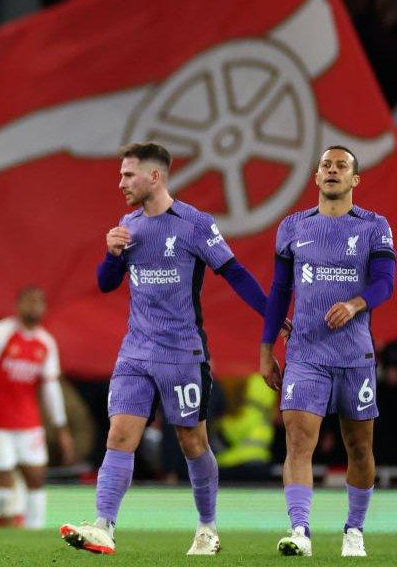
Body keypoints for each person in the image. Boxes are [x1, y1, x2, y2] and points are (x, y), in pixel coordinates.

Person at [60, 142, 285, 556]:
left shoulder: (194, 224)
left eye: (128, 175)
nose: (121, 183)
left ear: (155, 176)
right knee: (119, 435)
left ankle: (207, 528)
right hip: (135, 352)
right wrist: (111, 255)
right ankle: (104, 526)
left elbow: (234, 273)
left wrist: (271, 316)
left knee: (193, 443)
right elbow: (107, 283)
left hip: (182, 354)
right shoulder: (128, 225)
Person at [259, 146, 396, 558]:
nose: (333, 170)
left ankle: (354, 530)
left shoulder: (374, 226)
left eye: (342, 166)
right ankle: (300, 530)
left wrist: (355, 304)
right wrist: (266, 348)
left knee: (360, 448)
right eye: (326, 165)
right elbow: (279, 291)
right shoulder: (292, 226)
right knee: (299, 443)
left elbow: (385, 282)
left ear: (355, 179)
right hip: (305, 354)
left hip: (355, 357)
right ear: (316, 177)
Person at [0, 286, 73, 529]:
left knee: (36, 479)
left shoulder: (45, 342)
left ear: (45, 308)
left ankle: (34, 532)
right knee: (4, 491)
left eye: (39, 301)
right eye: (28, 300)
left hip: (28, 423)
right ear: (17, 305)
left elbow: (50, 388)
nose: (33, 306)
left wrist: (61, 428)